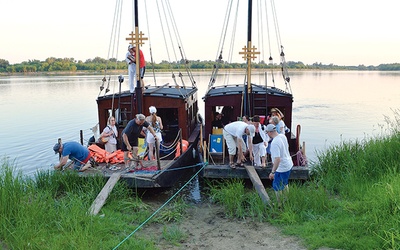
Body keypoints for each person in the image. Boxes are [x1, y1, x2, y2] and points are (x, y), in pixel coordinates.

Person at [266, 124, 293, 204]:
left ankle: (279, 204)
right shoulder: (282, 136)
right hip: (289, 164)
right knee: (285, 183)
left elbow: (277, 159)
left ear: (270, 132)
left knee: (277, 186)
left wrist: (273, 172)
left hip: (281, 168)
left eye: (267, 132)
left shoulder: (274, 143)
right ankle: (286, 200)